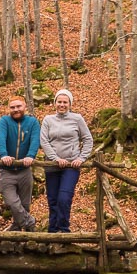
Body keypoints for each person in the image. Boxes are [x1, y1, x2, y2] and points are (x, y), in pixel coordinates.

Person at [39, 89, 93, 233]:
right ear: (55, 103)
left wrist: (81, 158)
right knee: (53, 199)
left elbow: (88, 139)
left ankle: (63, 229)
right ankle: (52, 231)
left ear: (70, 104)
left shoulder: (77, 119)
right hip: (51, 165)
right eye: (59, 102)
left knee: (64, 197)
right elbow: (44, 141)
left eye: (65, 102)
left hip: (70, 165)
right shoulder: (48, 120)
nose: (62, 105)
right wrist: (55, 158)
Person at [0, 96, 41, 231]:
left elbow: (35, 140)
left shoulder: (32, 122)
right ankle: (30, 223)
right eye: (12, 107)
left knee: (25, 204)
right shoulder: (4, 121)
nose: (16, 110)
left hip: (24, 170)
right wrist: (3, 155)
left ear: (25, 107)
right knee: (12, 202)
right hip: (6, 170)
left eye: (18, 106)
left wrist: (30, 156)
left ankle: (17, 231)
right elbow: (0, 138)